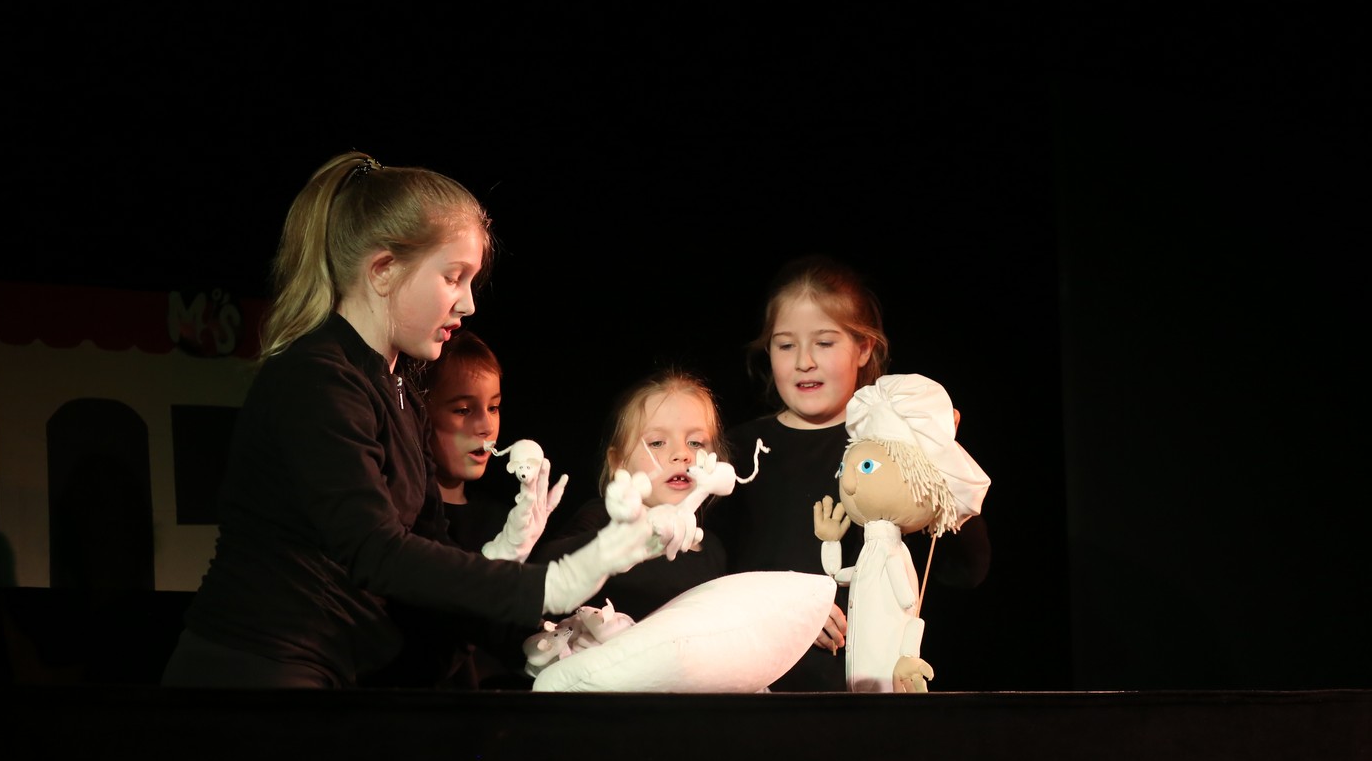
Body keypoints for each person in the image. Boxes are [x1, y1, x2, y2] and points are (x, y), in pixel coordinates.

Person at [161, 151, 665, 689]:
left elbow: (428, 549)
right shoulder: (316, 378)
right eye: (453, 277)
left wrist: (531, 634)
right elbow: (375, 552)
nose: (468, 304)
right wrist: (552, 584)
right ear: (383, 270)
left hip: (332, 672)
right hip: (253, 672)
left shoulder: (398, 386)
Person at [708, 254, 991, 691]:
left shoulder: (891, 451)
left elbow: (966, 570)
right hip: (760, 689)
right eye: (785, 345)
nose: (804, 361)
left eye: (824, 343)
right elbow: (704, 580)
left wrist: (940, 459)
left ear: (864, 348)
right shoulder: (739, 450)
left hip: (873, 691)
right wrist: (788, 607)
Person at [365, 330, 550, 689]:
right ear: (420, 416)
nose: (485, 426)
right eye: (463, 410)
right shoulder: (403, 522)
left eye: (493, 407)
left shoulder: (505, 520)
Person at [531, 367, 731, 624]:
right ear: (618, 462)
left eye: (695, 443)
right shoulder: (605, 519)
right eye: (657, 443)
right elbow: (543, 570)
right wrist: (621, 539)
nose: (681, 454)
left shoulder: (713, 550)